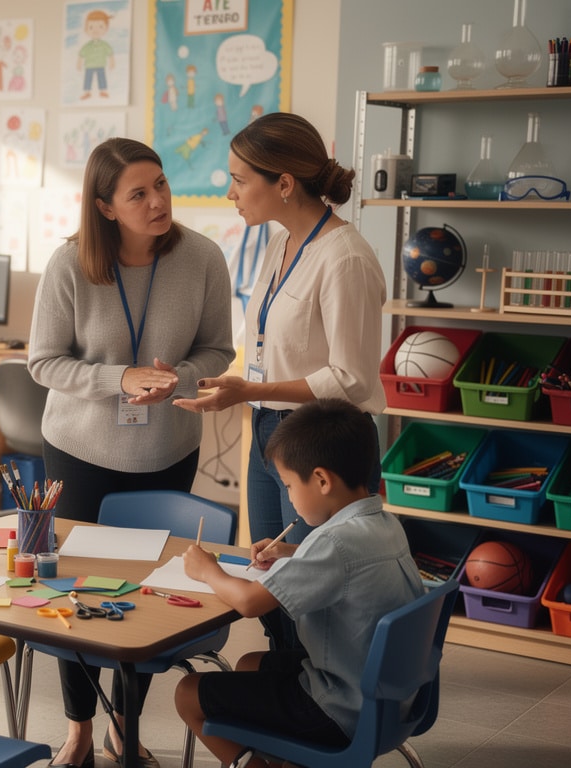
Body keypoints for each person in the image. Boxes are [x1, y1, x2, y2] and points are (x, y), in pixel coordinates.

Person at [28, 136, 234, 768]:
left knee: (143, 598)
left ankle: (127, 725)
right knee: (76, 594)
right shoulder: (70, 264)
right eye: (138, 193)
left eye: (162, 185)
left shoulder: (202, 257)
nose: (157, 201)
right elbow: (42, 361)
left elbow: (218, 350)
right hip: (80, 449)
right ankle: (79, 729)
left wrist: (180, 377)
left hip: (166, 448)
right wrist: (118, 378)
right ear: (105, 206)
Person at [173, 112, 386, 649]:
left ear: (284, 183)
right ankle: (281, 692)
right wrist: (226, 384)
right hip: (270, 432)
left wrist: (250, 390)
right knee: (268, 571)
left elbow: (351, 378)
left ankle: (312, 707)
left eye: (240, 180)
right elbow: (273, 349)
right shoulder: (280, 245)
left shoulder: (345, 258)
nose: (230, 193)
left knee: (314, 602)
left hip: (325, 444)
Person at [173, 399, 422, 768]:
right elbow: (344, 561)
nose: (287, 494)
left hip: (339, 709)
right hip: (390, 700)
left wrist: (207, 570)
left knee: (187, 693)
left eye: (289, 484)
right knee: (250, 663)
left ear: (321, 480)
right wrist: (292, 552)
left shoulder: (334, 543)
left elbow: (249, 603)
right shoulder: (383, 524)